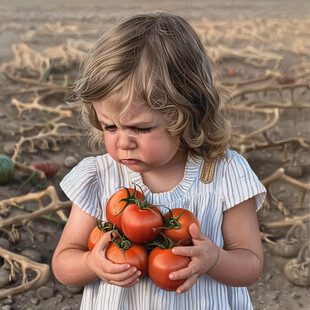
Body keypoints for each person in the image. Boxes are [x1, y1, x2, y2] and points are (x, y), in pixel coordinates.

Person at [52, 11, 266, 310]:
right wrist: (91, 263)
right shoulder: (99, 176)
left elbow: (251, 263)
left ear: (187, 115)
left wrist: (215, 259)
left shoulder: (225, 172)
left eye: (140, 128)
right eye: (109, 127)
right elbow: (63, 263)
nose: (123, 141)